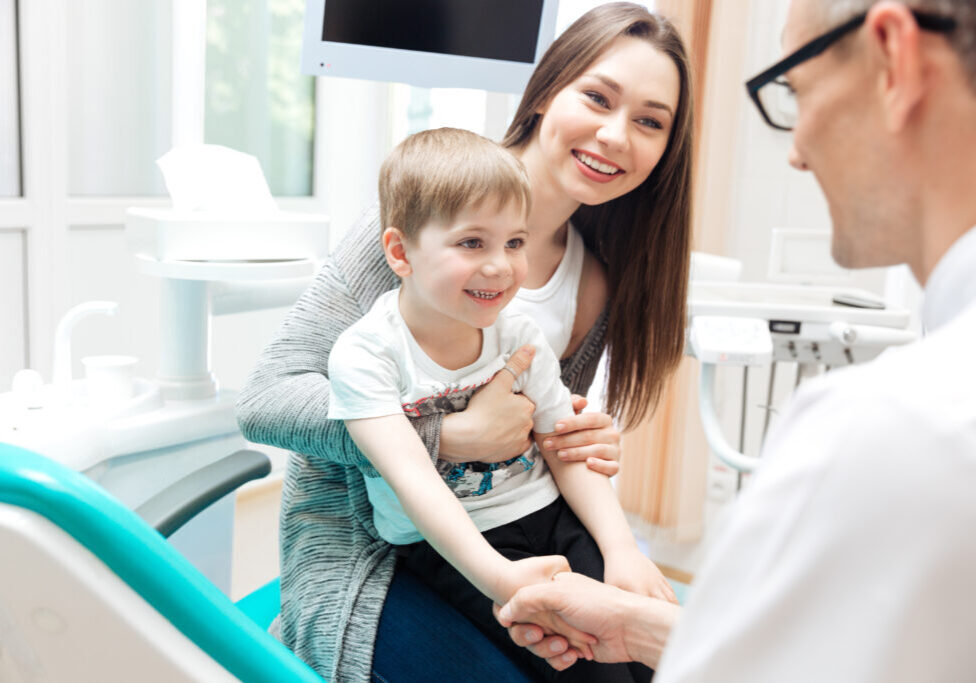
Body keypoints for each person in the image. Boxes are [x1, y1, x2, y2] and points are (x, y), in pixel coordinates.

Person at [496, 0, 976, 680]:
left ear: (895, 57)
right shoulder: (434, 202)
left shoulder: (887, 427)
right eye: (598, 98)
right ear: (547, 90)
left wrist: (605, 526)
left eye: (795, 90)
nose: (797, 150)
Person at [236, 4, 694, 681]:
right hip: (376, 553)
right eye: (597, 97)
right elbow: (266, 400)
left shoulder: (593, 279)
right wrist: (448, 435)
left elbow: (536, 439)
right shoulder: (425, 219)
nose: (616, 135)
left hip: (520, 528)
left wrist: (580, 445)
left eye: (650, 122)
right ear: (545, 91)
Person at [331, 127, 675, 683]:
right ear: (400, 252)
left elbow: (563, 446)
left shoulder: (518, 333)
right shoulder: (367, 353)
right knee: (594, 672)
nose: (501, 266)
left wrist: (621, 551)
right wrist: (500, 580)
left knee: (655, 659)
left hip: (550, 515)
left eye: (514, 243)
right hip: (455, 544)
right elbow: (413, 482)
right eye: (473, 243)